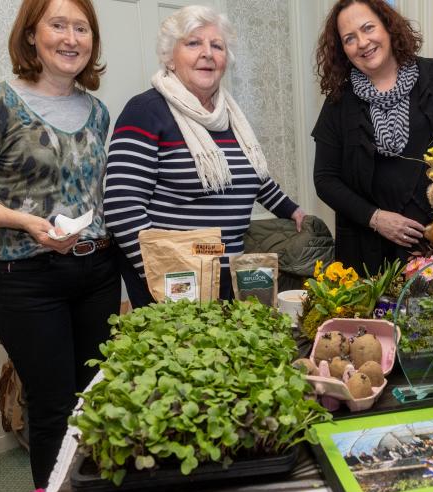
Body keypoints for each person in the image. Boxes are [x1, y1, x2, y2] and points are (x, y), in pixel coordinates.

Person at [0, 0, 118, 488]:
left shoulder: (98, 111)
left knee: (95, 397)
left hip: (96, 273)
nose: (71, 38)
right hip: (23, 279)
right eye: (58, 25)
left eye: (81, 28)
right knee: (51, 406)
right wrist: (25, 221)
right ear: (30, 36)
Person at [104, 6, 304, 306]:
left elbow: (253, 175)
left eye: (217, 46)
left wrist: (292, 210)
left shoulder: (231, 117)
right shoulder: (145, 111)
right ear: (170, 57)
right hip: (173, 280)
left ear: (226, 60)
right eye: (193, 43)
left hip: (228, 275)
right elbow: (122, 207)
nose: (207, 53)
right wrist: (162, 273)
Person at [313, 0, 433, 275]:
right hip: (367, 253)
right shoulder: (338, 102)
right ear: (342, 50)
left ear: (388, 27)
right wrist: (376, 219)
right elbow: (325, 180)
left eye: (368, 28)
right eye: (349, 39)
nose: (363, 42)